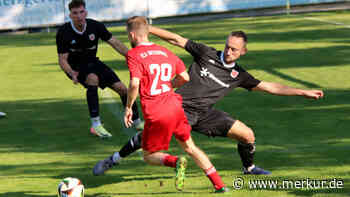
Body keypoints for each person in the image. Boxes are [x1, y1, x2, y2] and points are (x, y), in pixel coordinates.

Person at [93, 26, 324, 174]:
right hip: (177, 106)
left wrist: (302, 92)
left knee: (247, 135)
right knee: (146, 139)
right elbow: (176, 39)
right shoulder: (206, 53)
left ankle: (249, 168)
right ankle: (113, 159)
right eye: (227, 46)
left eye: (234, 49)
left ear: (243, 51)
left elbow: (270, 87)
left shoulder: (238, 75)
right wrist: (147, 29)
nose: (228, 51)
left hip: (204, 113)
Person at [93, 16, 228, 193]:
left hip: (157, 112)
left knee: (148, 156)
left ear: (132, 35)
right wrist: (169, 85)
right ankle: (219, 185)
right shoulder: (165, 52)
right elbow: (185, 77)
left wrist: (128, 107)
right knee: (190, 147)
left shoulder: (134, 54)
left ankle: (176, 162)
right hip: (175, 107)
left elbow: (134, 84)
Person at [56, 0, 143, 138]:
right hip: (76, 67)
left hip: (93, 63)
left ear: (86, 12)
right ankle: (96, 125)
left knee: (122, 89)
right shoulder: (64, 32)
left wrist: (132, 57)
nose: (79, 16)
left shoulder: (95, 26)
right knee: (93, 79)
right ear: (70, 15)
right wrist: (71, 73)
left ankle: (137, 121)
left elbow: (115, 43)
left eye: (81, 12)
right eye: (75, 13)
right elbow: (62, 60)